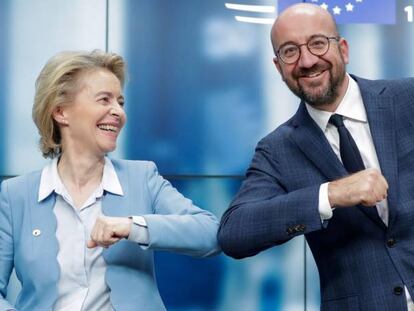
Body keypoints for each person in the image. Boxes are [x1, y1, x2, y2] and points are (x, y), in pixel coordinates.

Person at [218, 3, 414, 310]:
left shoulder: (407, 99)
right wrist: (330, 194)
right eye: (290, 51)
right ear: (278, 66)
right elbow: (234, 233)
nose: (307, 60)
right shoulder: (278, 149)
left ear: (344, 50)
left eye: (318, 43)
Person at [0, 50, 220, 311]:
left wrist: (132, 226)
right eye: (104, 99)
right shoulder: (15, 195)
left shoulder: (142, 178)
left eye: (120, 102)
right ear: (61, 112)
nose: (118, 112)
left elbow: (211, 234)